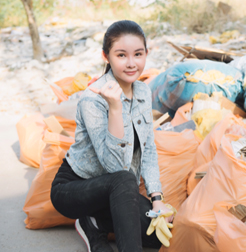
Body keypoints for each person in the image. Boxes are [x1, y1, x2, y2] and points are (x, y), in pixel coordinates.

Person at [51, 20, 173, 252]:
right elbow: (114, 166)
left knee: (156, 234)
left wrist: (156, 198)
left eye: (138, 54)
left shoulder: (143, 92)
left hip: (116, 189)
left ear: (147, 53)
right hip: (74, 189)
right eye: (121, 55)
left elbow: (147, 149)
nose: (131, 63)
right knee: (124, 178)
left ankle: (94, 223)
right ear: (106, 56)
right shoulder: (93, 99)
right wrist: (115, 108)